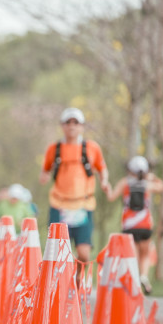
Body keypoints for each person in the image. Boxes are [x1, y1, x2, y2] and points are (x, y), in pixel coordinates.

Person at [40, 107, 110, 287]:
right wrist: (44, 176)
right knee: (58, 251)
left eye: (76, 122)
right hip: (59, 204)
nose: (72, 126)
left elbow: (102, 169)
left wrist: (104, 182)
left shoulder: (92, 148)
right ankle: (59, 285)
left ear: (82, 126)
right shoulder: (54, 149)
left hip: (83, 205)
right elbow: (45, 169)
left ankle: (78, 276)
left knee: (84, 253)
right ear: (62, 126)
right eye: (68, 122)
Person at [106, 156, 163, 294]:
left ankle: (135, 280)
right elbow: (162, 186)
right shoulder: (147, 184)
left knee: (134, 255)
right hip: (145, 225)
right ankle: (143, 276)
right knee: (145, 254)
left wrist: (107, 187)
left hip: (129, 226)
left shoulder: (125, 183)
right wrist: (152, 177)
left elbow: (111, 197)